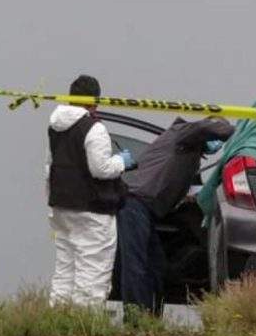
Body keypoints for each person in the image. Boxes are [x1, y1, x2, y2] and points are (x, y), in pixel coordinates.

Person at [117, 116, 234, 315]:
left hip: (146, 209)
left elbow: (173, 182)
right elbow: (209, 128)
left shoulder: (188, 152)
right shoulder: (182, 133)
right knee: (136, 265)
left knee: (156, 266)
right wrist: (234, 130)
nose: (215, 145)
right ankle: (135, 320)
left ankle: (150, 318)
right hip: (135, 203)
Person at [46, 75, 136, 307]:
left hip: (61, 207)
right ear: (94, 101)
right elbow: (101, 169)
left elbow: (50, 167)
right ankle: (84, 325)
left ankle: (58, 319)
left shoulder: (55, 127)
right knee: (93, 269)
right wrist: (122, 162)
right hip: (92, 210)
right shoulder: (94, 128)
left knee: (65, 269)